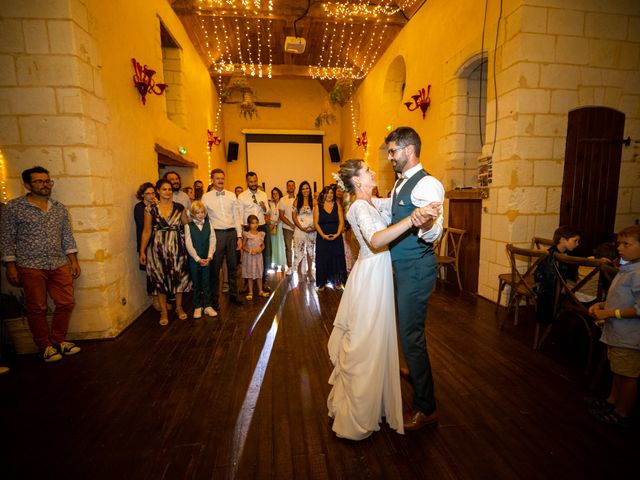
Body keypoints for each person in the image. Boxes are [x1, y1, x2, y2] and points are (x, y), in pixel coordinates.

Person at [327, 159, 440, 440]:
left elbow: (397, 204)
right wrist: (412, 220)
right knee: (365, 341)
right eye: (367, 171)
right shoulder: (357, 207)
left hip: (379, 275)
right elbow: (376, 240)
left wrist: (424, 210)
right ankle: (357, 412)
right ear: (356, 181)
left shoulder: (373, 202)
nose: (373, 171)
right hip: (370, 278)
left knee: (376, 339)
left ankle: (373, 402)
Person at [373, 126, 445, 430]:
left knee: (411, 335)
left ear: (408, 150)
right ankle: (415, 373)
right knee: (405, 329)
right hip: (402, 267)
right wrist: (370, 202)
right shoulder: (401, 183)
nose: (390, 157)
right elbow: (395, 207)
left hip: (417, 268)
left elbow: (435, 230)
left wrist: (424, 221)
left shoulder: (428, 184)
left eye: (393, 151)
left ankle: (426, 407)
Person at [0, 166, 82, 362]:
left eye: (47, 181)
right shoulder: (14, 208)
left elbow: (66, 236)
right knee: (37, 307)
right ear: (27, 184)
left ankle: (59, 340)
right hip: (30, 264)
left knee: (66, 302)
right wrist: (10, 265)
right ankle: (44, 346)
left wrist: (73, 260)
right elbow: (6, 238)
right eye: (39, 181)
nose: (44, 185)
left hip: (58, 262)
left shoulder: (59, 208)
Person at [588, 225, 640, 427]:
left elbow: (637, 309)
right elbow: (622, 298)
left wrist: (609, 313)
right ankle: (611, 401)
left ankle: (622, 412)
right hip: (617, 332)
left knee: (628, 376)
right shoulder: (628, 268)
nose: (619, 248)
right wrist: (601, 304)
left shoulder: (638, 274)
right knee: (618, 369)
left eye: (626, 244)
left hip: (629, 334)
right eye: (619, 243)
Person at [139, 178, 191, 325]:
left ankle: (179, 308)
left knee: (179, 278)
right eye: (164, 189)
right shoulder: (150, 209)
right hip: (157, 248)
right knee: (159, 279)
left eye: (169, 189)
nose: (167, 192)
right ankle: (164, 311)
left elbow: (188, 226)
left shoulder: (179, 208)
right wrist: (142, 251)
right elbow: (147, 231)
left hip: (177, 248)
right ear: (158, 191)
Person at [201, 168, 244, 309]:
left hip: (232, 234)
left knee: (233, 266)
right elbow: (202, 218)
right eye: (217, 178)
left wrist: (239, 236)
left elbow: (237, 217)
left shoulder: (232, 196)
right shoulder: (206, 197)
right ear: (212, 180)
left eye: (222, 178)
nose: (220, 180)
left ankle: (234, 295)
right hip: (216, 235)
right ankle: (214, 300)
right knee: (215, 268)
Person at [534, 225, 581, 322]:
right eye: (575, 241)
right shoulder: (552, 256)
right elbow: (549, 278)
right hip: (547, 292)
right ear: (563, 240)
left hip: (555, 286)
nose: (577, 244)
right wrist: (563, 287)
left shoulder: (563, 253)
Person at [238, 172, 271, 290]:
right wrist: (241, 232)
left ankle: (263, 281)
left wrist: (264, 208)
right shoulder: (242, 196)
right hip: (248, 228)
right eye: (251, 181)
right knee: (248, 256)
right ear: (247, 182)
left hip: (261, 226)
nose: (253, 183)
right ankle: (247, 282)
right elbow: (240, 214)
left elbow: (268, 211)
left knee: (265, 255)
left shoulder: (263, 194)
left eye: (255, 181)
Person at [185, 201, 217, 318]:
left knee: (207, 282)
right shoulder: (188, 226)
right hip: (195, 260)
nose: (200, 214)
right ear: (193, 214)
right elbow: (188, 244)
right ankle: (197, 306)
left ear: (205, 213)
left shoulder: (209, 225)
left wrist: (209, 256)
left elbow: (212, 240)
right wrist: (198, 258)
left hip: (207, 259)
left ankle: (208, 306)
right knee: (196, 283)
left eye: (202, 212)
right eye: (197, 213)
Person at [134, 182, 163, 311]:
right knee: (151, 274)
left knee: (161, 272)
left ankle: (162, 300)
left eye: (153, 193)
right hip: (147, 243)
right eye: (148, 193)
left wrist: (157, 206)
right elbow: (143, 225)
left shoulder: (158, 206)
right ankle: (155, 301)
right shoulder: (139, 207)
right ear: (142, 195)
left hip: (160, 244)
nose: (151, 195)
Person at [314, 185, 347, 290]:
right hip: (322, 238)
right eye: (327, 193)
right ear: (323, 194)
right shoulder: (317, 206)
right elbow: (316, 223)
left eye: (331, 193)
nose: (329, 195)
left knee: (337, 259)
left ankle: (337, 282)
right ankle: (322, 282)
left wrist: (337, 234)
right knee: (323, 259)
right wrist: (323, 235)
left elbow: (341, 221)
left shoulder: (337, 205)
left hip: (336, 237)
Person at [291, 181, 316, 281]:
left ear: (310, 189)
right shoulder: (296, 201)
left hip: (311, 230)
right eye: (303, 189)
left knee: (310, 251)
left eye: (307, 188)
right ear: (300, 190)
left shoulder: (314, 201)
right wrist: (301, 227)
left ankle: (310, 272)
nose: (305, 190)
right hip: (300, 230)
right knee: (299, 250)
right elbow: (294, 217)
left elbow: (316, 216)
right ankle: (300, 273)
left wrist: (313, 227)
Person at [242, 215, 270, 300]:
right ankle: (250, 291)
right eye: (253, 223)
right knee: (250, 274)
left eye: (256, 223)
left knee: (259, 274)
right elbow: (243, 246)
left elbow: (263, 245)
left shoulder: (261, 234)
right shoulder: (247, 235)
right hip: (250, 257)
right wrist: (250, 251)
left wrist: (260, 249)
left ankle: (260, 290)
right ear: (249, 224)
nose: (255, 225)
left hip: (258, 257)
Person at [279, 180, 296, 274]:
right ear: (287, 187)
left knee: (299, 247)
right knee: (288, 248)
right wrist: (291, 225)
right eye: (289, 185)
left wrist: (297, 225)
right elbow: (281, 215)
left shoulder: (299, 198)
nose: (291, 187)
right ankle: (289, 267)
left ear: (295, 187)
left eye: (292, 185)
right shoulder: (283, 199)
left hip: (299, 227)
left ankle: (298, 266)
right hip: (287, 227)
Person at [268, 187, 287, 271]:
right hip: (272, 225)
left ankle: (283, 263)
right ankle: (275, 262)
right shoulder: (270, 203)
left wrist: (275, 223)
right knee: (273, 244)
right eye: (273, 194)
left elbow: (283, 215)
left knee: (281, 244)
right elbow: (268, 214)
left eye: (276, 193)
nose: (275, 195)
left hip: (280, 225)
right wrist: (270, 223)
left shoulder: (282, 202)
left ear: (279, 194)